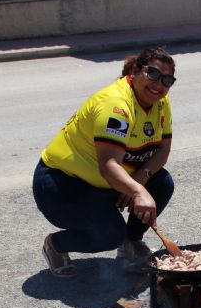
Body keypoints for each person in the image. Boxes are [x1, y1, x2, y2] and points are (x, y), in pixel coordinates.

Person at [32, 46, 177, 277]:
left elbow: (162, 150)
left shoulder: (160, 101)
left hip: (106, 182)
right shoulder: (115, 105)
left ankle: (131, 242)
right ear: (136, 72)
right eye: (153, 74)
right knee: (109, 234)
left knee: (163, 183)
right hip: (62, 185)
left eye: (167, 80)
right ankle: (56, 244)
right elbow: (108, 164)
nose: (159, 85)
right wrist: (138, 192)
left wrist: (138, 182)